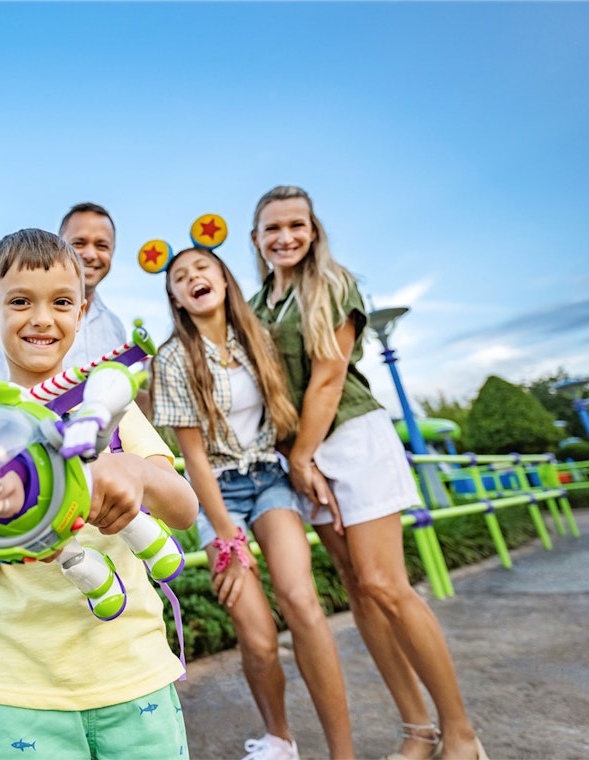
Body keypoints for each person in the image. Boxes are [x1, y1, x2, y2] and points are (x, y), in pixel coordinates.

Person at [249, 185, 487, 760]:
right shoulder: (255, 307)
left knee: (385, 584)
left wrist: (302, 458)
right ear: (256, 238)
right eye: (273, 228)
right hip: (301, 457)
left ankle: (461, 733)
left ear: (314, 231)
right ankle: (418, 731)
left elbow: (329, 377)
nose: (286, 237)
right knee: (357, 589)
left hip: (351, 441)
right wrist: (296, 458)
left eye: (297, 225)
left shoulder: (333, 283)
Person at [0, 228, 198, 759]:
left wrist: (135, 472)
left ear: (82, 311)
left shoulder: (109, 405)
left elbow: (184, 510)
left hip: (134, 674)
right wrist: (9, 521)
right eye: (21, 301)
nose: (43, 318)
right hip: (17, 690)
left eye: (62, 302)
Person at [151, 245, 353, 760]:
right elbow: (193, 458)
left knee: (303, 603)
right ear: (175, 297)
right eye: (179, 276)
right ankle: (279, 739)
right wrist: (227, 536)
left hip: (269, 480)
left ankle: (343, 752)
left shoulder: (258, 338)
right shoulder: (172, 358)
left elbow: (288, 412)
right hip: (216, 493)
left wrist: (305, 464)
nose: (192, 277)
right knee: (258, 636)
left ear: (223, 279)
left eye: (202, 268)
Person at [0, 203, 127, 381]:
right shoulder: (8, 319)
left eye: (102, 246)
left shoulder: (115, 327)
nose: (90, 254)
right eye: (79, 243)